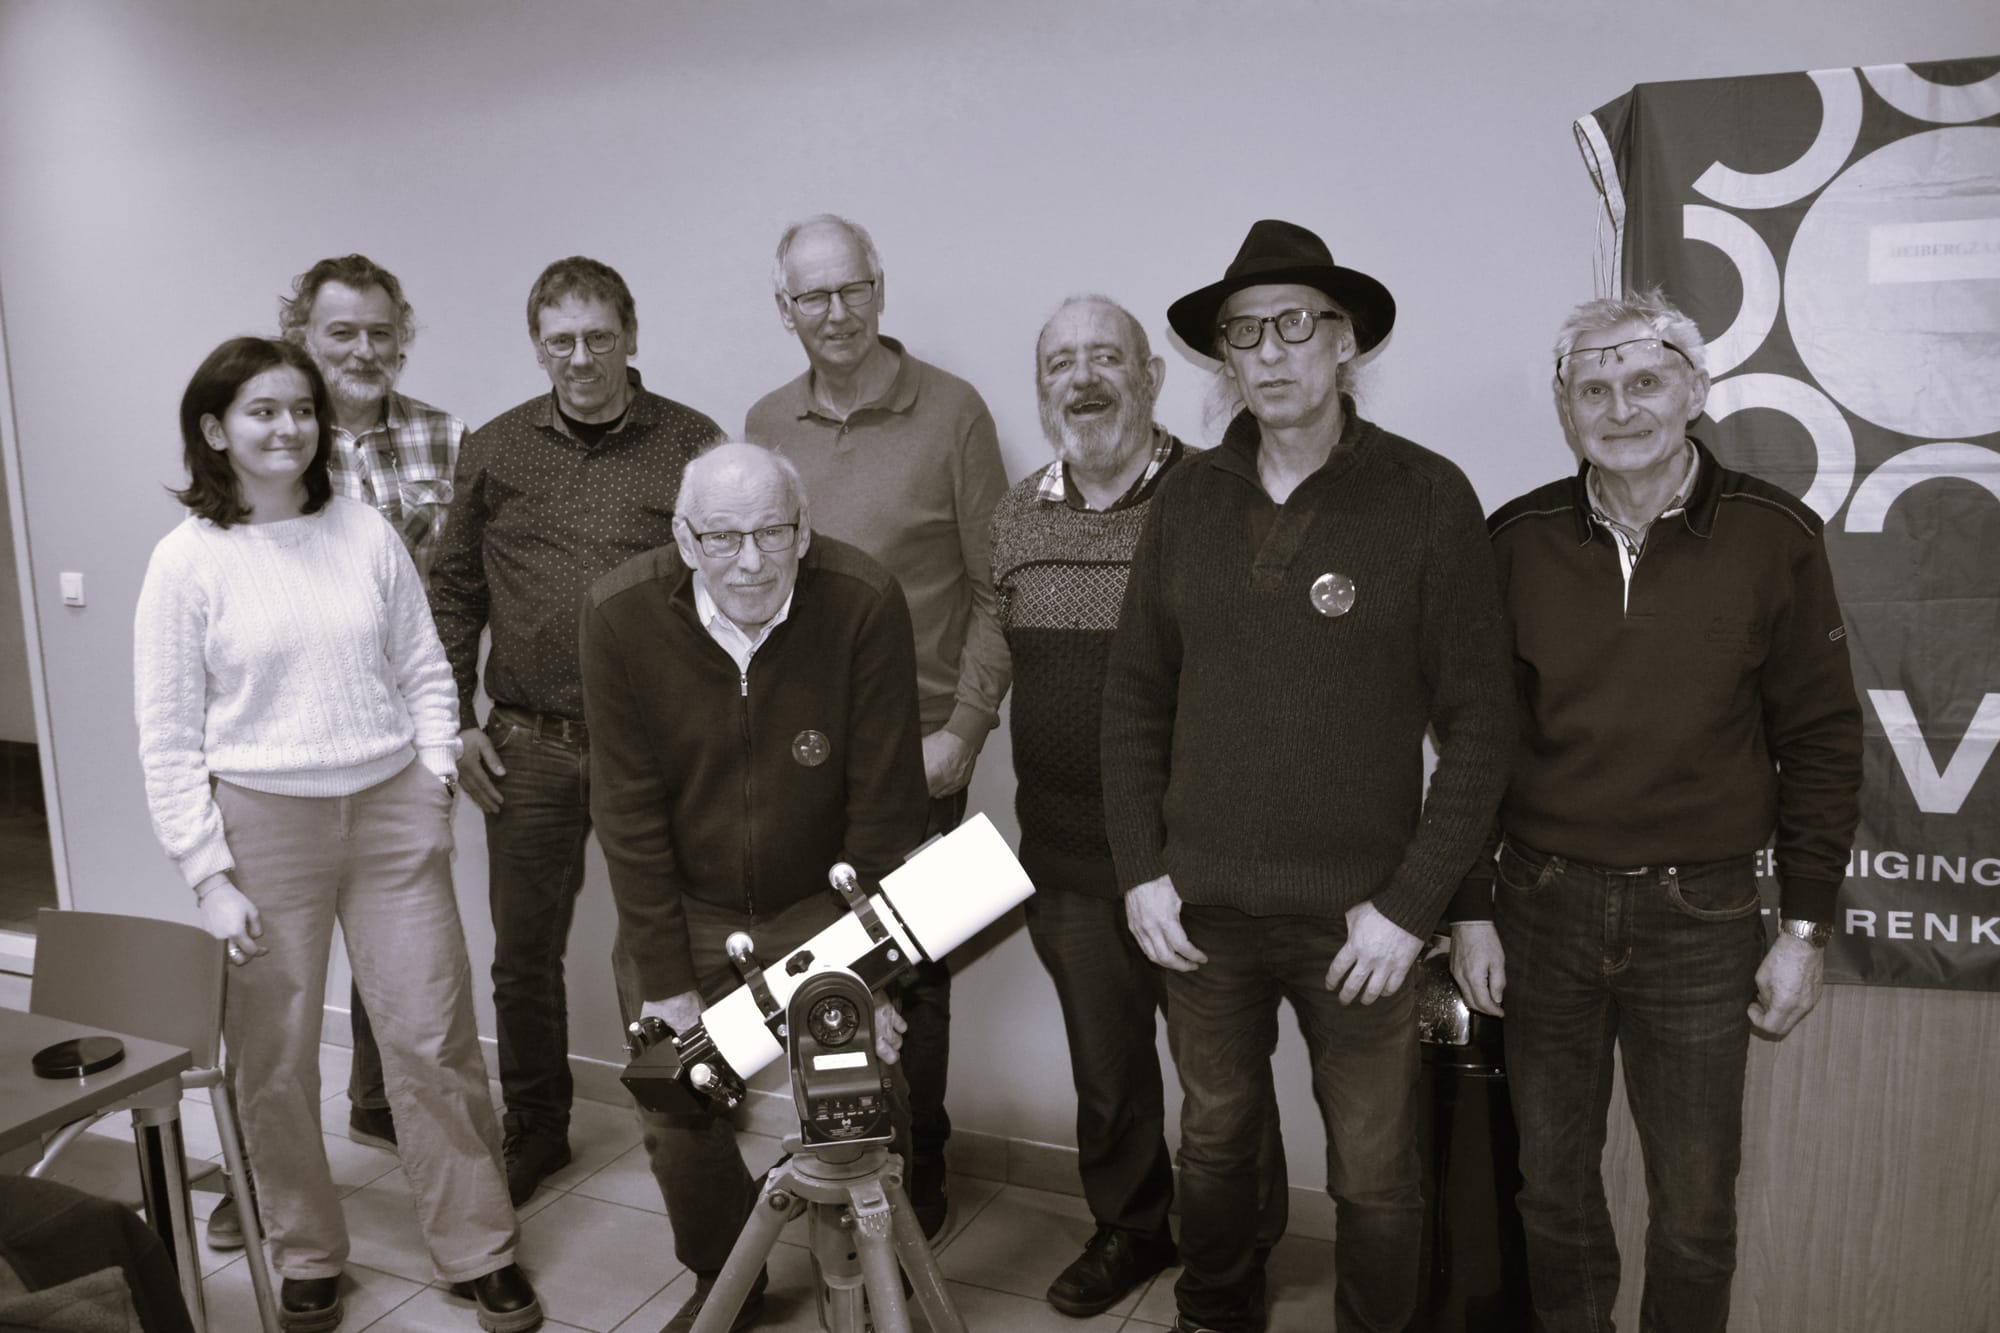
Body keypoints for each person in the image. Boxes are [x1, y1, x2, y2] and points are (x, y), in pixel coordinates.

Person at [1101, 220, 1514, 1333]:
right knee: (1213, 1142)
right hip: (1201, 915)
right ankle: (1213, 1310)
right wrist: (1141, 871)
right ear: (1222, 360)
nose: (1269, 351)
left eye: (1295, 324)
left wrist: (1409, 907)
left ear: (1345, 343)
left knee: (1376, 1172)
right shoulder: (1185, 501)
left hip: (1360, 923)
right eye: (1244, 332)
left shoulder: (1426, 496)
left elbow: (1480, 728)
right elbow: (1133, 702)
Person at [1447, 290, 1864, 1333]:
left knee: (1693, 1208)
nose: (1619, 407)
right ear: (1564, 408)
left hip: (1702, 917)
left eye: (1643, 381)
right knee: (1550, 1189)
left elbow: (1820, 741)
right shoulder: (1514, 541)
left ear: (1694, 389)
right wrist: (1469, 908)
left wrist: (1804, 929)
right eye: (1592, 388)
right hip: (1540, 906)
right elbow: (1476, 741)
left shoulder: (1774, 536)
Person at [134, 337, 540, 1332]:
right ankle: (307, 1249)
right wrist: (207, 874)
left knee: (432, 1035)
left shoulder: (363, 531)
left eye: (303, 409)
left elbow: (424, 666)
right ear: (214, 430)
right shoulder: (185, 561)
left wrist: (434, 775)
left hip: (391, 812)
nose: (290, 427)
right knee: (272, 1057)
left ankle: (478, 1245)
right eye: (263, 410)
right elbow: (168, 734)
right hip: (263, 828)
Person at [580, 441, 929, 1333]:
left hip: (823, 899)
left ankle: (881, 1276)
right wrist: (666, 981)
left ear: (804, 529)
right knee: (675, 1097)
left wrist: (873, 971)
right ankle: (726, 1278)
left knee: (865, 1092)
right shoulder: (619, 615)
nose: (750, 561)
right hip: (684, 903)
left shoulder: (862, 601)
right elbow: (627, 812)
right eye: (723, 536)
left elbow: (885, 806)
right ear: (684, 538)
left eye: (773, 532)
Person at [430, 257, 726, 1205]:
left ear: (631, 335)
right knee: (522, 956)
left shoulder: (692, 442)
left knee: (666, 949)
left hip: (659, 748)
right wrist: (452, 721)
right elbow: (454, 590)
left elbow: (727, 588)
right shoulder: (496, 448)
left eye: (599, 336)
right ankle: (536, 1125)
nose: (582, 357)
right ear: (537, 345)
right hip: (528, 743)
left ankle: (688, 1125)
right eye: (561, 340)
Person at [744, 214, 1009, 1234]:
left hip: (920, 752)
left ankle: (911, 1171)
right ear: (784, 310)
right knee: (818, 969)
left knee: (910, 978)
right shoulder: (765, 422)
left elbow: (996, 588)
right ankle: (839, 1159)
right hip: (799, 757)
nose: (836, 312)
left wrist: (966, 729)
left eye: (851, 288)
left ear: (879, 288)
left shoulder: (953, 412)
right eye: (812, 295)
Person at [283, 252, 467, 1155]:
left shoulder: (448, 438)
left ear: (403, 339)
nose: (363, 349)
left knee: (401, 946)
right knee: (282, 966)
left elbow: (464, 590)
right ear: (302, 335)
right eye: (341, 331)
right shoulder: (272, 438)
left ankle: (380, 1102)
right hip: (288, 745)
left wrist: (450, 739)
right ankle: (270, 1167)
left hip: (401, 736)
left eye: (380, 332)